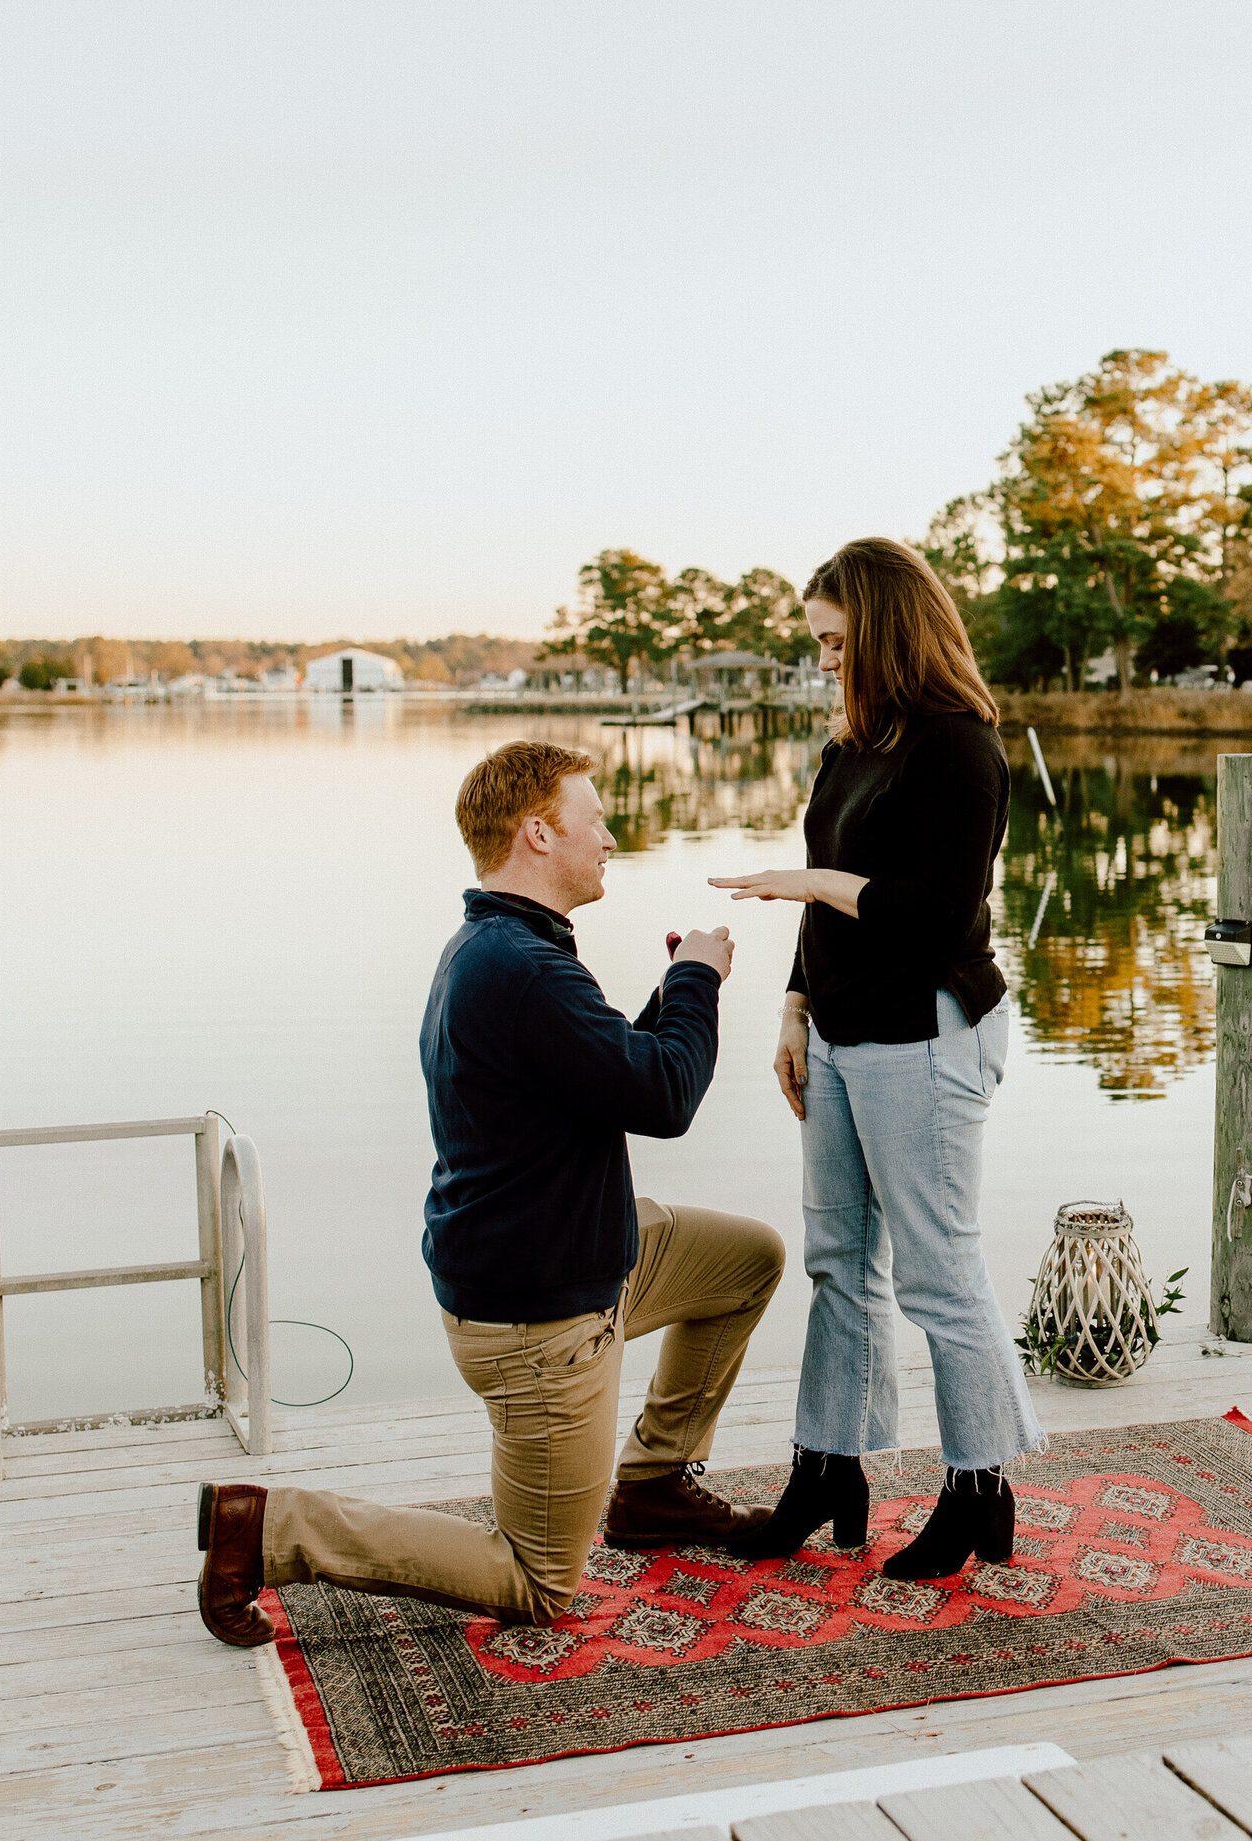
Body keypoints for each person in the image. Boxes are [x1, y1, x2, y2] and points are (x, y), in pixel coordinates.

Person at [195, 740, 786, 1644]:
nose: (612, 837)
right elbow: (665, 1098)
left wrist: (673, 989)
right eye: (595, 821)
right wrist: (699, 978)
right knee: (540, 1581)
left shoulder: (505, 946)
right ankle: (271, 1528)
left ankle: (658, 1482)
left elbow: (612, 1070)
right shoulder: (523, 969)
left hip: (587, 1246)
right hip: (540, 1319)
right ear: (539, 832)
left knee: (749, 1259)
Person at [708, 536, 1043, 1581]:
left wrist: (811, 885)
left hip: (929, 1029)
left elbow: (935, 910)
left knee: (939, 1268)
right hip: (845, 1029)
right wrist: (794, 1007)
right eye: (816, 643)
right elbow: (830, 887)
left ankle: (980, 1487)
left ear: (884, 633)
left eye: (835, 641)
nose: (822, 661)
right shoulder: (853, 746)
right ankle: (827, 1468)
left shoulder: (959, 747)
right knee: (837, 1261)